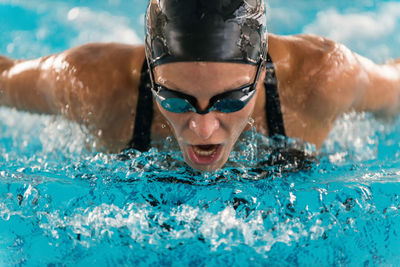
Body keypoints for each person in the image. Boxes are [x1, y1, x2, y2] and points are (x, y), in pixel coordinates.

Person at [0, 0, 399, 171]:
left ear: (261, 73)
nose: (204, 129)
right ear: (152, 76)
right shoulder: (90, 84)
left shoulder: (323, 78)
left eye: (230, 100)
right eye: (175, 99)